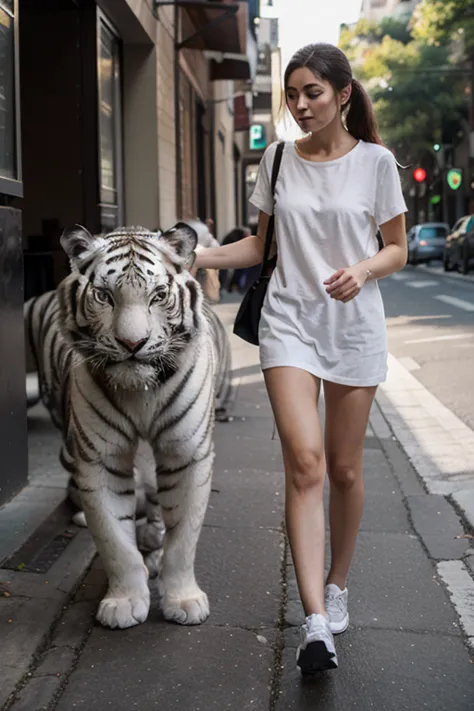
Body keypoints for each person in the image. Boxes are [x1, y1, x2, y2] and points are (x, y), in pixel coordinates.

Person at [192, 43, 407, 674]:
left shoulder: (377, 163)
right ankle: (316, 621)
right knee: (306, 464)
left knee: (343, 469)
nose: (300, 104)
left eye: (312, 92)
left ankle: (337, 584)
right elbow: (259, 246)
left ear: (342, 95)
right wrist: (195, 256)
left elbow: (395, 248)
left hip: (353, 326)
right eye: (292, 93)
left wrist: (363, 270)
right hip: (288, 323)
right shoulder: (277, 157)